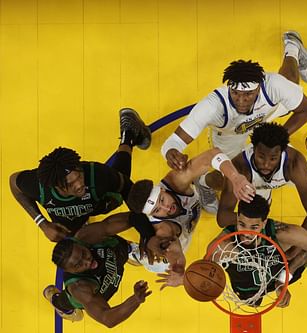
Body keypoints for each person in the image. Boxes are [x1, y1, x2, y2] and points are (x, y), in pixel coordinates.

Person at [161, 31, 307, 213]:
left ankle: (292, 46)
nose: (241, 101)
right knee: (227, 176)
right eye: (236, 93)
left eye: (248, 95)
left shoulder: (273, 85)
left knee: (289, 83)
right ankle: (203, 183)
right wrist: (171, 152)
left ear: (259, 87)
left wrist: (275, 139)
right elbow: (173, 142)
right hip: (229, 135)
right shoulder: (213, 106)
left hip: (265, 118)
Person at [192, 195, 307, 307]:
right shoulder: (223, 246)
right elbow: (201, 275)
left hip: (282, 271)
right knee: (251, 301)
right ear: (237, 218)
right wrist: (186, 276)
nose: (247, 232)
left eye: (254, 226)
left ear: (264, 223)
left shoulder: (283, 233)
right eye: (241, 224)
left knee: (303, 255)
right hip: (245, 285)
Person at [9, 108, 151, 242]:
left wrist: (146, 231)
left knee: (118, 178)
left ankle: (128, 134)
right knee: (73, 238)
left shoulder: (96, 173)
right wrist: (41, 222)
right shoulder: (38, 185)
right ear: (54, 186)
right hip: (70, 218)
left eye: (79, 176)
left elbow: (126, 185)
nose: (79, 184)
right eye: (70, 184)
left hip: (100, 201)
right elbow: (14, 183)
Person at [217, 122, 307, 278]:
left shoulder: (294, 164)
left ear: (282, 153)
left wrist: (298, 247)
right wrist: (265, 224)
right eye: (261, 156)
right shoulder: (240, 168)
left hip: (285, 177)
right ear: (254, 149)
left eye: (273, 158)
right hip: (253, 185)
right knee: (255, 210)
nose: (266, 164)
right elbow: (222, 217)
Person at [125, 147, 256, 284]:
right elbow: (174, 251)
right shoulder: (164, 230)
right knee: (160, 265)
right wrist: (178, 266)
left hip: (188, 215)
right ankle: (136, 254)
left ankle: (202, 187)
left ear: (162, 189)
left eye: (162, 200)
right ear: (153, 215)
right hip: (174, 245)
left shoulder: (176, 181)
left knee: (219, 176)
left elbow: (212, 154)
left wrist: (236, 178)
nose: (167, 208)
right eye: (158, 210)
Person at [43, 212, 160, 327]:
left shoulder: (85, 236)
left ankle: (130, 250)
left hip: (114, 257)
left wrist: (147, 235)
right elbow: (107, 319)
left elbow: (132, 217)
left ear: (79, 244)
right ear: (70, 271)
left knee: (112, 241)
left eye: (83, 253)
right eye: (78, 265)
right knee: (65, 302)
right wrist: (136, 300)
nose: (87, 261)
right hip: (100, 292)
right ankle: (57, 302)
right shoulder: (80, 288)